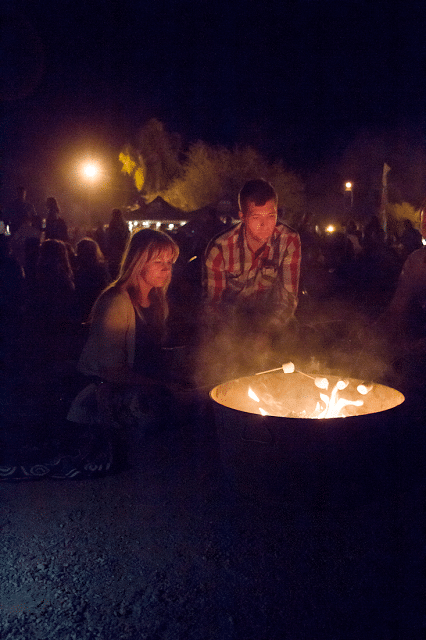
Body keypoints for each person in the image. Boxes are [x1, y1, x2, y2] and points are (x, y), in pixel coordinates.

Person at [67, 228, 181, 438]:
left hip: (137, 383)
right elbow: (112, 371)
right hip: (102, 391)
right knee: (163, 406)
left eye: (169, 262)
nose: (166, 269)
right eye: (158, 262)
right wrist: (164, 385)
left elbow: (150, 351)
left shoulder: (157, 300)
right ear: (138, 262)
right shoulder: (116, 301)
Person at [200, 179, 301, 381]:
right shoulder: (220, 249)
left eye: (271, 216)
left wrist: (266, 331)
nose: (265, 225)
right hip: (229, 324)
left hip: (269, 320)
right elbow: (213, 304)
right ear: (242, 217)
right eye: (256, 217)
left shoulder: (288, 240)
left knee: (292, 337)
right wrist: (236, 339)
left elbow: (288, 297)